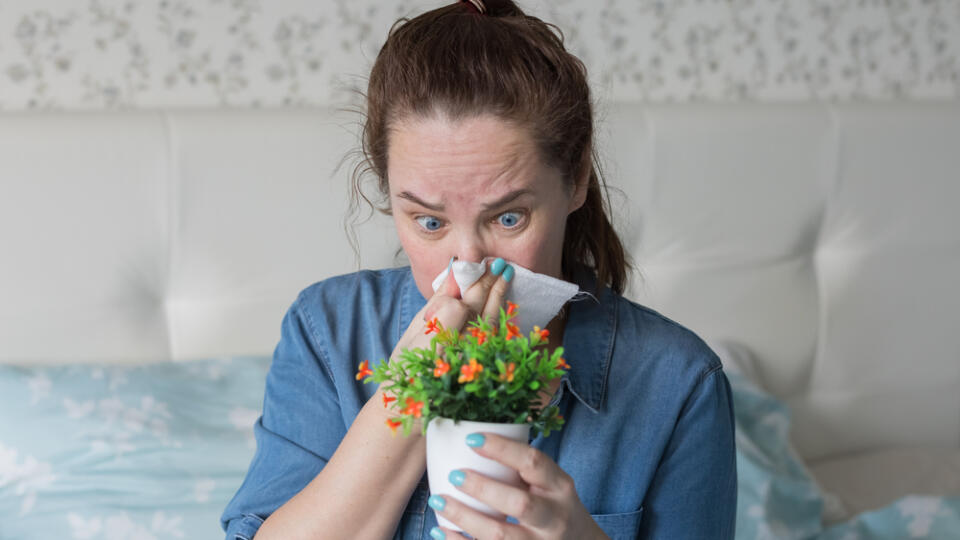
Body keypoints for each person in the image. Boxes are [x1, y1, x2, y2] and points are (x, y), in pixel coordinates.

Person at [220, 0, 736, 538]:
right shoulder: (327, 331)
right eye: (428, 222)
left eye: (508, 217)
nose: (468, 262)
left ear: (576, 177)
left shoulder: (679, 381)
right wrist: (407, 396)